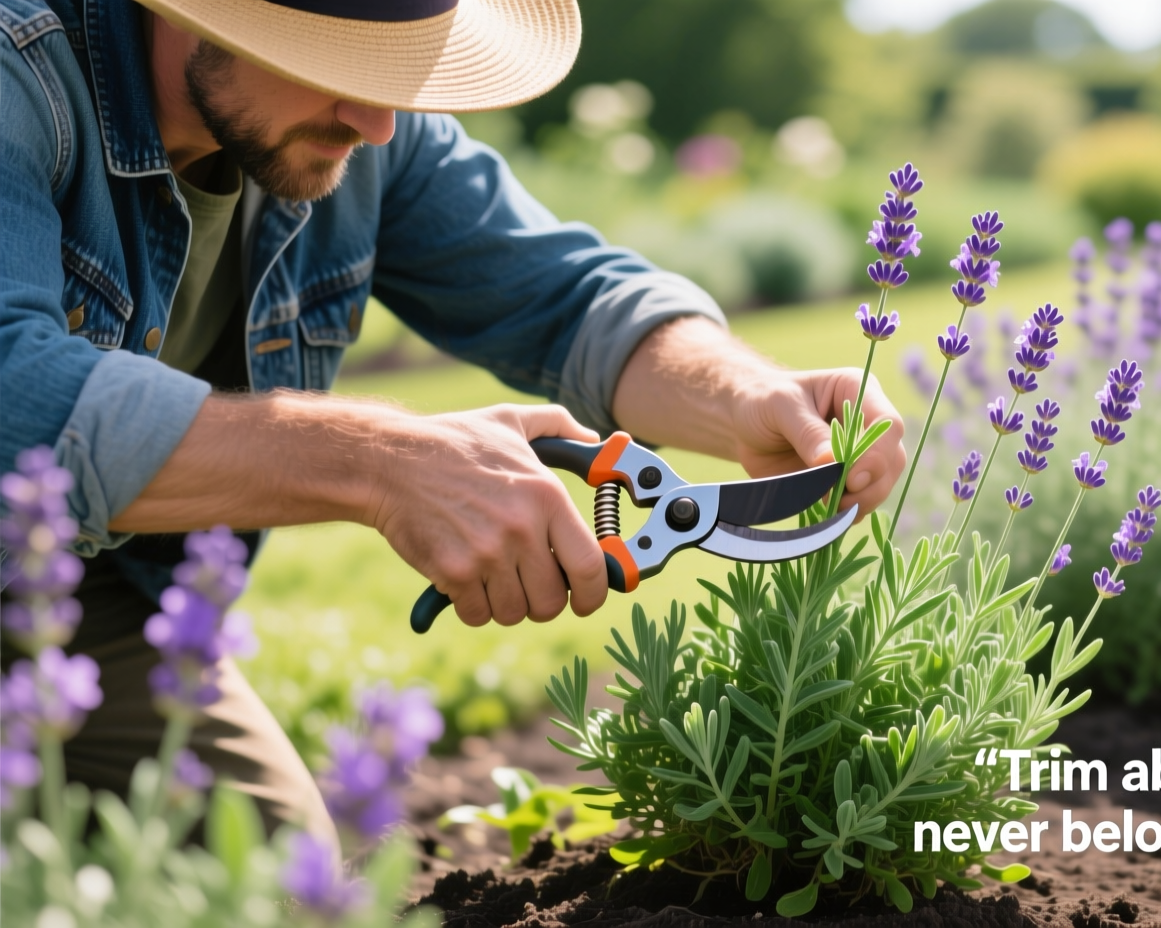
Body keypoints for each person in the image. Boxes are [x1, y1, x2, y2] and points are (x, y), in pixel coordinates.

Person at [0, 0, 905, 852]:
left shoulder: (351, 128)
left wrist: (744, 393)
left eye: (394, 63)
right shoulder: (20, 74)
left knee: (269, 884)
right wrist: (381, 463)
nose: (378, 121)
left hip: (85, 604)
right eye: (333, 60)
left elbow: (565, 298)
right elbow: (17, 397)